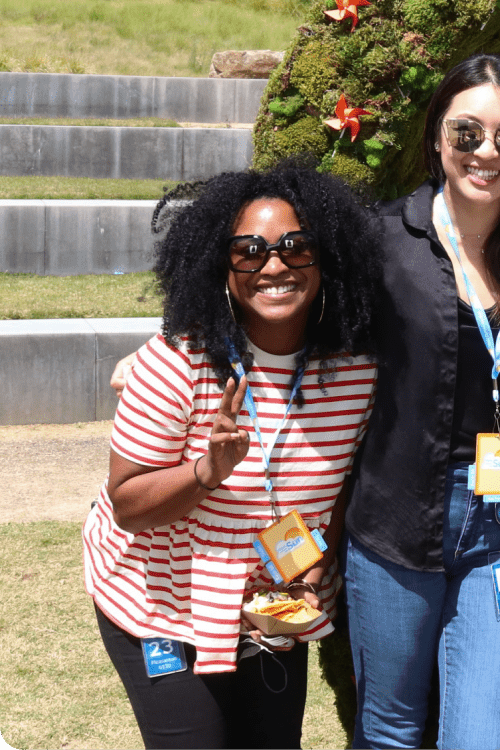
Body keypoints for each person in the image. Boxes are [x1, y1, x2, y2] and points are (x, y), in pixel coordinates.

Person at [83, 164, 380, 749]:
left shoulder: (354, 370)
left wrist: (314, 561)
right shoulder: (177, 363)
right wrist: (205, 473)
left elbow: (341, 484)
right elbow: (129, 505)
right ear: (222, 265)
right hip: (161, 608)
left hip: (270, 608)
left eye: (296, 248)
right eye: (250, 251)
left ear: (326, 259)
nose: (274, 266)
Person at [341, 53, 500, 750]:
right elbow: (289, 323)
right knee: (390, 730)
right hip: (394, 518)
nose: (486, 153)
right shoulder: (381, 241)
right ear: (437, 134)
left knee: (480, 736)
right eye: (467, 133)